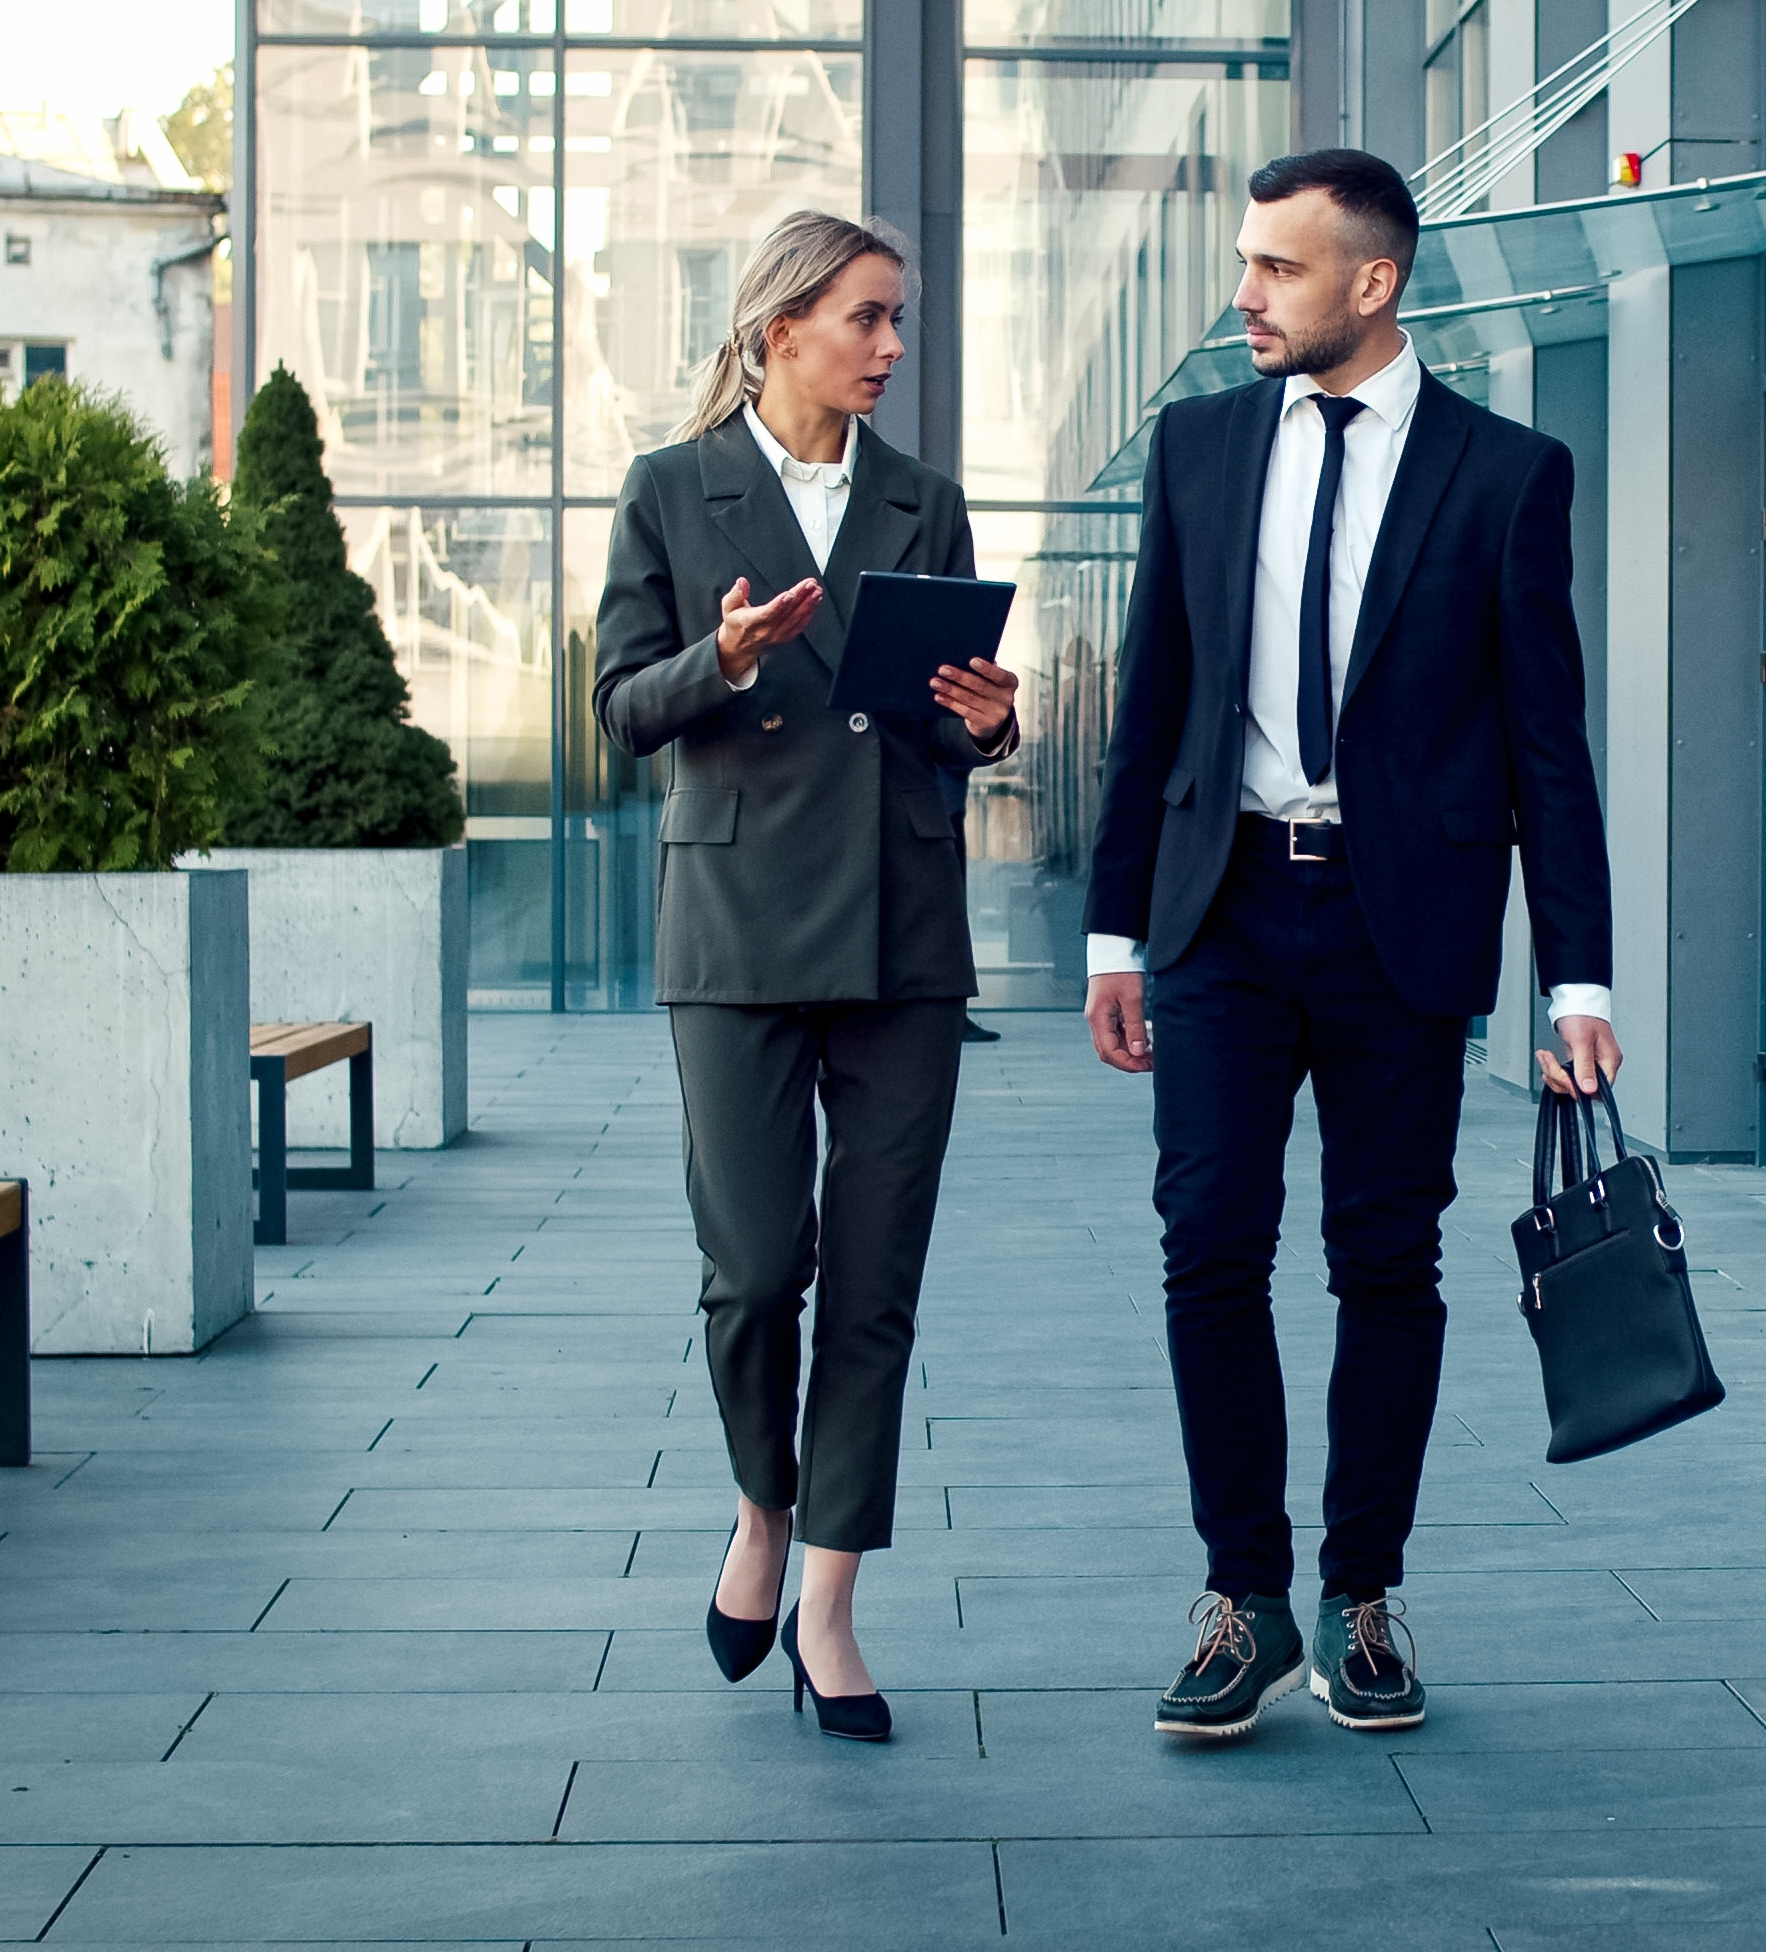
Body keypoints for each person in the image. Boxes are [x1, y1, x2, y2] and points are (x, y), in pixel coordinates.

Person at [1083, 148, 1620, 1741]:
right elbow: (1150, 709)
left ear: (1370, 286)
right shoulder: (1195, 449)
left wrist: (1574, 978)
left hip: (1408, 922)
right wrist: (1118, 932)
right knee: (1209, 1244)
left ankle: (1361, 1592)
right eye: (1246, 262)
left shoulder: (1506, 474)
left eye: (1276, 268)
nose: (1244, 292)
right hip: (1225, 910)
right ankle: (1241, 1595)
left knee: (1387, 1258)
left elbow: (1549, 750)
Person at [591, 209, 1021, 1746]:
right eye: (868, 318)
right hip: (738, 931)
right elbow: (621, 711)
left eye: (898, 319)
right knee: (761, 1268)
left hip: (902, 931)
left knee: (878, 1284)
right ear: (780, 330)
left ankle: (828, 1596)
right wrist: (725, 659)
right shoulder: (671, 490)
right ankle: (761, 1506)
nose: (893, 346)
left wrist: (982, 722)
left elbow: (940, 724)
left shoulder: (926, 500)